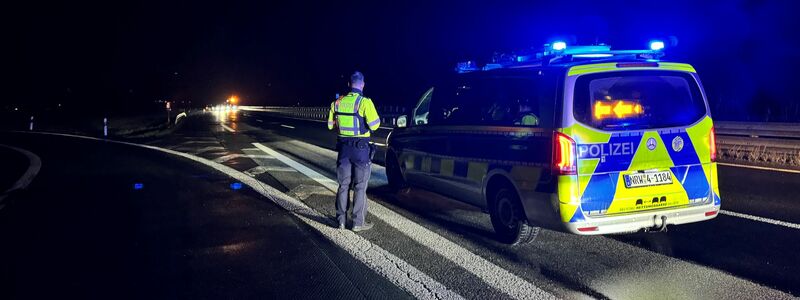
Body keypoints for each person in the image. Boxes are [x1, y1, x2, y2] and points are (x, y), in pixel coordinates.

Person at [327, 71, 381, 232]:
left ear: (349, 85)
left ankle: (341, 221)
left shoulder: (336, 103)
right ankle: (358, 223)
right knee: (360, 186)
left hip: (343, 150)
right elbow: (375, 125)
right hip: (361, 151)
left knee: (343, 185)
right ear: (363, 85)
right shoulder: (365, 102)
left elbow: (330, 126)